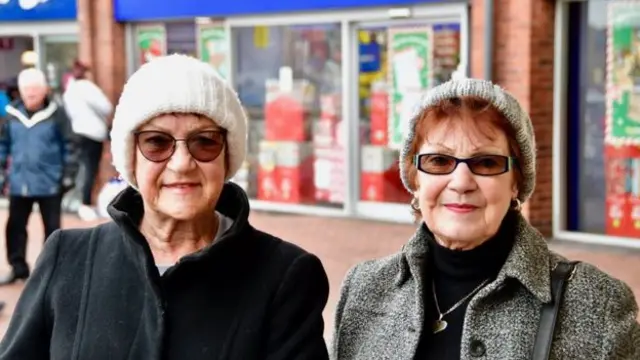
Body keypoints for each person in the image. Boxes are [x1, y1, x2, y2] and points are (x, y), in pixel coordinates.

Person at [0, 54, 330, 359]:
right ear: (130, 156)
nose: (182, 163)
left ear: (228, 156)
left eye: (205, 141)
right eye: (157, 142)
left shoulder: (286, 275)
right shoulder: (67, 257)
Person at [331, 78, 640, 359]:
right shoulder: (364, 287)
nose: (461, 182)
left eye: (487, 162)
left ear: (516, 182)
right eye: (439, 161)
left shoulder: (598, 303)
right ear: (414, 180)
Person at [0, 68, 78, 286]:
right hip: (19, 182)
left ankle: (51, 271)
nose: (30, 93)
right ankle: (18, 268)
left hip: (50, 181)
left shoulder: (57, 113)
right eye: (26, 89)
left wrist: (68, 175)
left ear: (44, 90)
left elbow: (70, 145)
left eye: (34, 89)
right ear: (20, 92)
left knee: (52, 229)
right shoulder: (12, 115)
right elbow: (3, 145)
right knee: (15, 227)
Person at [63, 59, 113, 221]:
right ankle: (85, 203)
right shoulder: (88, 88)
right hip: (93, 133)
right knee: (90, 168)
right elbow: (106, 107)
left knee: (82, 167)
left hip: (77, 132)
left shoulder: (69, 90)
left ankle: (80, 201)